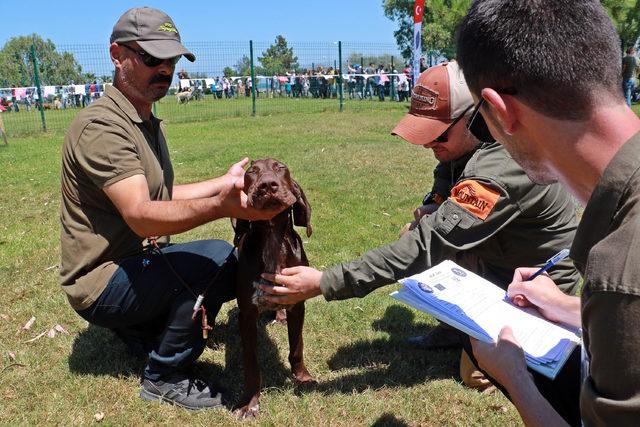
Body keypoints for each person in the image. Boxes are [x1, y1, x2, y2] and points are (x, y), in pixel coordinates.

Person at [258, 61, 580, 391]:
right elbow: (445, 181)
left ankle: (527, 336)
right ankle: (457, 327)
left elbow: (427, 246)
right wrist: (438, 202)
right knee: (411, 233)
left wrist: (326, 281)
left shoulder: (499, 170)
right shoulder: (470, 144)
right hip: (492, 259)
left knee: (476, 375)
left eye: (438, 134)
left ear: (475, 116)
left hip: (536, 284)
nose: (429, 145)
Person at [60, 7, 285, 411]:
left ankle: (145, 331)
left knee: (217, 261)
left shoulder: (143, 122)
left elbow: (161, 194)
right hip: (101, 282)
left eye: (171, 59)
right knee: (216, 259)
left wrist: (224, 183)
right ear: (117, 54)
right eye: (151, 58)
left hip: (134, 263)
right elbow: (142, 214)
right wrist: (221, 205)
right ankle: (164, 375)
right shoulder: (103, 128)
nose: (165, 69)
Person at [455, 1, 640, 425]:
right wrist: (567, 307)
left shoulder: (622, 269)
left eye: (483, 125)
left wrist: (513, 376)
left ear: (503, 112)